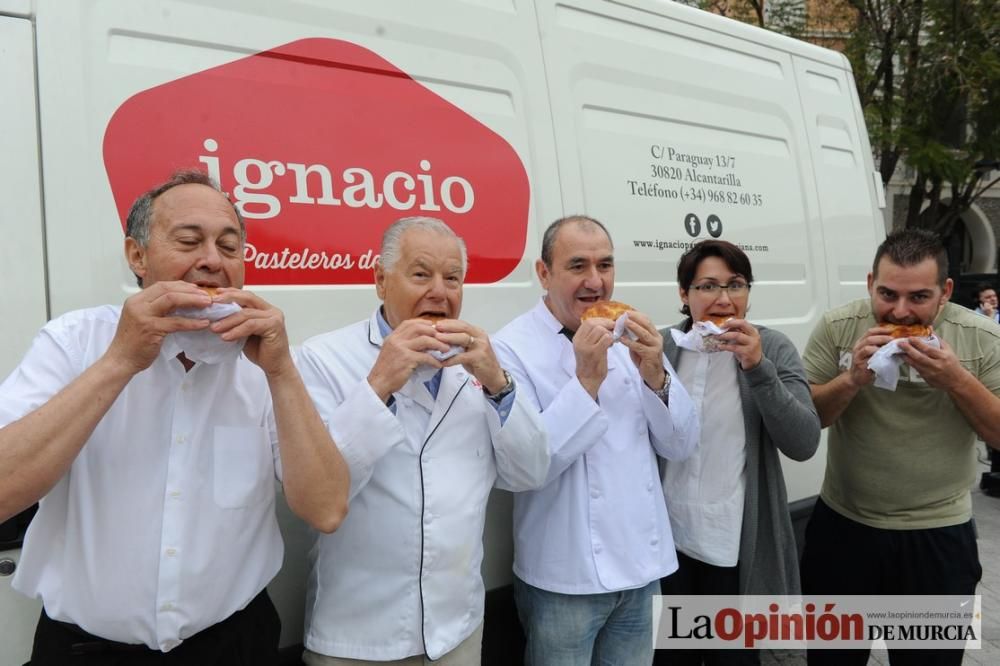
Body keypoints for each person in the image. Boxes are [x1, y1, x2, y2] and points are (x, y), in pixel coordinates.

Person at [0, 170, 350, 665]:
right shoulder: (75, 342)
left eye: (229, 247)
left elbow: (327, 509)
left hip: (236, 643)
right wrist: (121, 361)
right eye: (189, 240)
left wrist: (282, 373)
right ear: (137, 256)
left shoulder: (265, 366)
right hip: (86, 650)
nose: (211, 260)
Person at [295, 216, 549, 665]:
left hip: (459, 632)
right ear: (380, 280)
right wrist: (378, 387)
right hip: (359, 638)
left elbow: (530, 471)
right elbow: (321, 500)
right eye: (420, 273)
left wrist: (498, 384)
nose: (440, 291)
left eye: (453, 278)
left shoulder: (481, 362)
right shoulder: (322, 359)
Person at [491, 215, 700, 665]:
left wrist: (657, 375)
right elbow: (526, 468)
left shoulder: (629, 332)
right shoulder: (510, 348)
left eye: (605, 265)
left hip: (642, 572)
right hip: (563, 579)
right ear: (544, 273)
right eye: (577, 266)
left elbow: (680, 445)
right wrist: (586, 379)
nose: (595, 281)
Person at [800, 228, 1000, 665]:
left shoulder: (980, 337)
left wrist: (955, 380)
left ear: (945, 291)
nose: (901, 311)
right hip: (845, 530)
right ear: (871, 282)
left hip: (938, 536)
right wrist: (852, 378)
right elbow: (809, 420)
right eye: (887, 294)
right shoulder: (839, 327)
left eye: (919, 297)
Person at [653, 240, 820, 666]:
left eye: (736, 285)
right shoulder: (663, 348)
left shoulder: (772, 348)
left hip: (735, 547)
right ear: (683, 294)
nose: (724, 299)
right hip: (668, 545)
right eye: (707, 286)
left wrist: (758, 368)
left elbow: (804, 443)